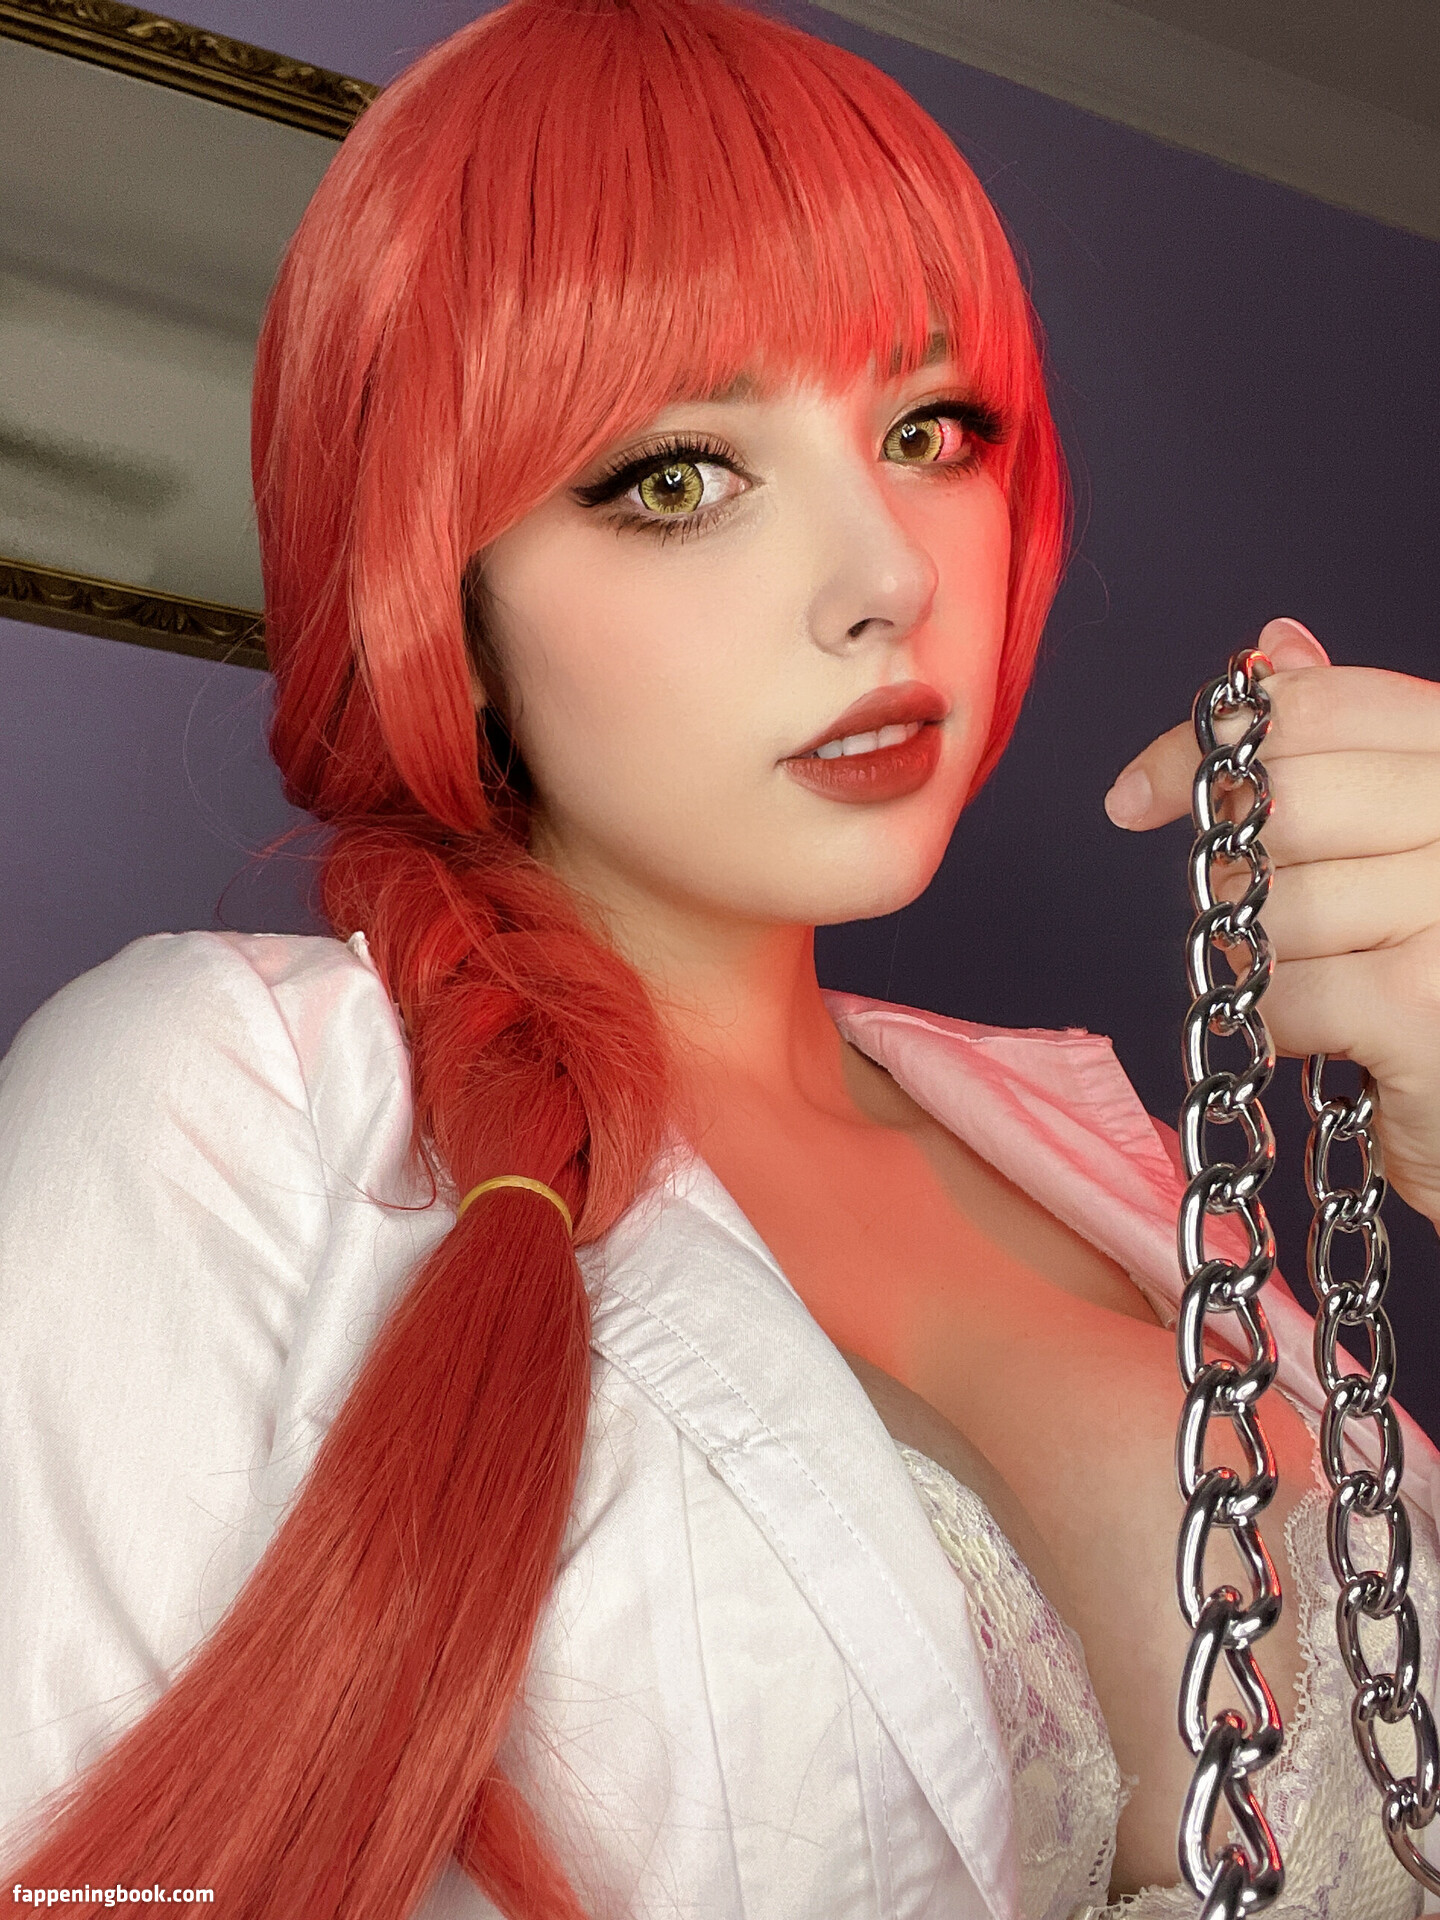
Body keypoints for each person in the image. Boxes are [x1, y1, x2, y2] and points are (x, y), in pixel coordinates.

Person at [2, 0, 1439, 1913]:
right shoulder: (223, 1101)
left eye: (928, 432)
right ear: (442, 592)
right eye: (680, 476)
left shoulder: (1096, 1147)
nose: (890, 577)